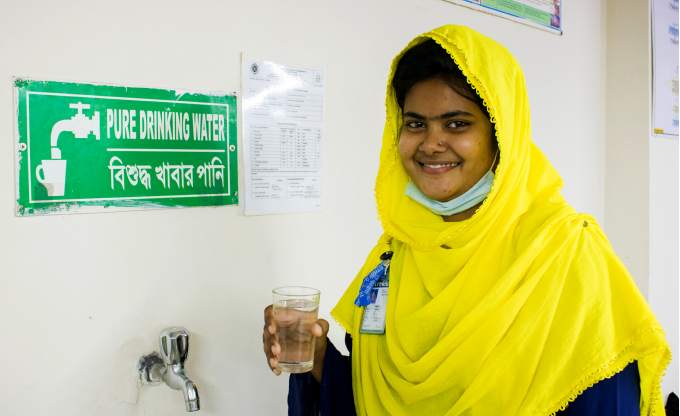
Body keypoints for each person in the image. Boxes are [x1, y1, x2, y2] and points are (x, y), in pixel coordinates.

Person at [263, 25, 671, 416]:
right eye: (415, 123)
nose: (430, 143)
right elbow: (368, 395)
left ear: (501, 135)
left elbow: (601, 397)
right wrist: (315, 354)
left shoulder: (565, 256)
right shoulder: (398, 250)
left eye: (457, 124)